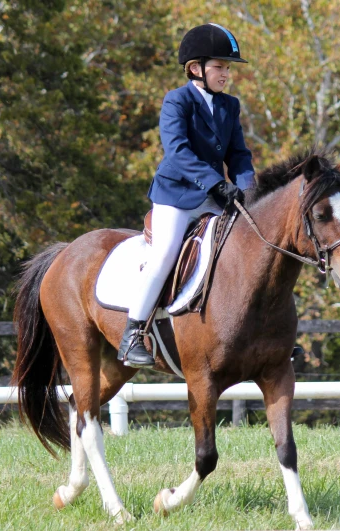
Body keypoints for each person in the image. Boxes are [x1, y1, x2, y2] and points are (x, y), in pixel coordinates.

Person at [117, 23, 255, 368]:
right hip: (176, 196)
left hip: (216, 196)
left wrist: (250, 190)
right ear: (196, 69)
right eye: (220, 67)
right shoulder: (176, 101)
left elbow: (239, 154)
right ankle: (133, 333)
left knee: (251, 251)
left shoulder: (230, 106)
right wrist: (216, 184)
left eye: (228, 68)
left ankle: (263, 331)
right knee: (164, 255)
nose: (226, 74)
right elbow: (177, 151)